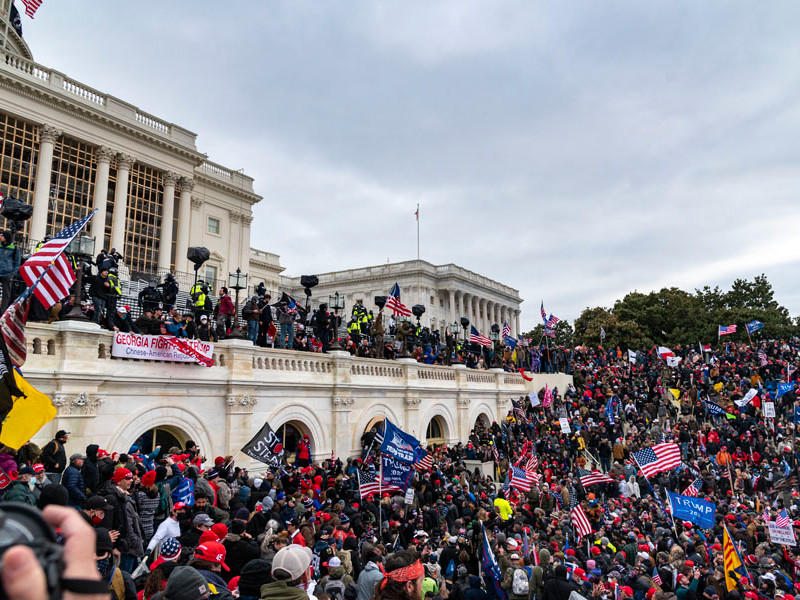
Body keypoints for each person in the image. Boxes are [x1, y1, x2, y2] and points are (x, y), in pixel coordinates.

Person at [0, 230, 19, 313]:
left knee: (6, 294)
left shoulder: (14, 248)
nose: (0, 237)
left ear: (6, 237)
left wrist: (13, 273)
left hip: (7, 274)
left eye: (2, 235)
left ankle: (2, 312)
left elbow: (17, 263)